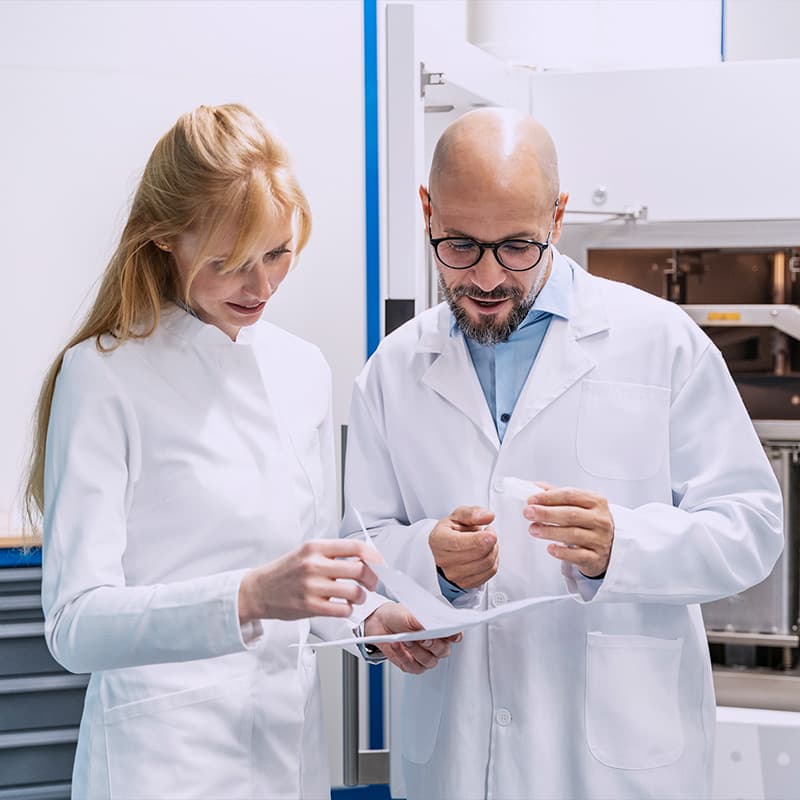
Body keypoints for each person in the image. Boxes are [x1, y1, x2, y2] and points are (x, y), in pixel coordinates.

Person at [341, 107, 784, 800]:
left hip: (621, 766)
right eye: (460, 245)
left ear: (557, 216)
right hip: (456, 763)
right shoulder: (393, 369)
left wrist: (622, 547)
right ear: (427, 211)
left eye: (517, 246)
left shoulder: (660, 342)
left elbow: (752, 528)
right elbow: (358, 551)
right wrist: (429, 562)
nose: (488, 277)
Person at [25, 104, 454, 800]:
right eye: (228, 263)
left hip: (289, 754)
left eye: (278, 254)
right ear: (165, 238)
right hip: (162, 765)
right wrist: (247, 597)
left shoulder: (302, 369)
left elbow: (308, 575)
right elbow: (76, 625)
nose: (260, 288)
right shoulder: (103, 375)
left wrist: (370, 623)